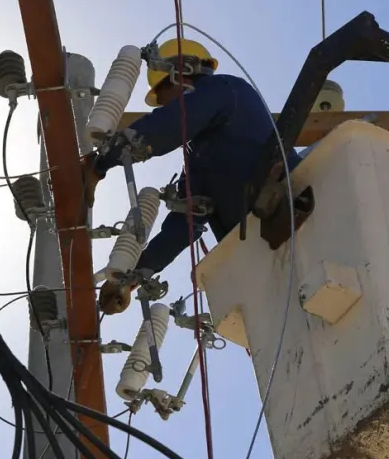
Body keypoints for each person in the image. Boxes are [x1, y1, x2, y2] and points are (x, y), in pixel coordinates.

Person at [81, 38, 304, 315]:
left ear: (180, 74)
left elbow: (171, 123)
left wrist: (100, 164)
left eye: (163, 99)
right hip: (267, 252)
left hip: (298, 211)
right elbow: (184, 223)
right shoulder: (200, 159)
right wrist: (132, 276)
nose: (162, 107)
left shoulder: (225, 89)